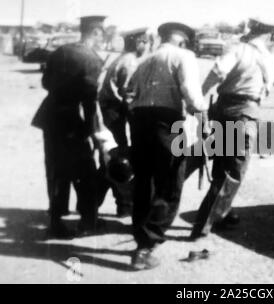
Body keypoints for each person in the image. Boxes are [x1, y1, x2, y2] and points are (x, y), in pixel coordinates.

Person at [126, 22, 207, 270]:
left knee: (144, 181)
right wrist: (203, 119)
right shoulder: (184, 55)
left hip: (140, 120)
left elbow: (128, 92)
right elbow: (191, 92)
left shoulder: (143, 60)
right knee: (170, 181)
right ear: (182, 40)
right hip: (167, 121)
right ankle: (146, 247)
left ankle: (141, 237)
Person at [190, 18, 274, 239]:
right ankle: (204, 224)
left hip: (223, 108)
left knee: (219, 161)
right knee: (233, 171)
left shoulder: (239, 50)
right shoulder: (270, 58)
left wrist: (200, 97)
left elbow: (217, 72)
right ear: (268, 36)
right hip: (245, 112)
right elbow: (270, 86)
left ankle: (221, 212)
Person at [31, 15, 117, 238]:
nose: (102, 40)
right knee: (85, 171)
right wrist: (92, 132)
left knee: (55, 169)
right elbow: (90, 100)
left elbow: (45, 83)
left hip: (50, 117)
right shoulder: (92, 59)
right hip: (72, 120)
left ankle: (56, 219)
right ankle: (89, 221)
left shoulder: (60, 51)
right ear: (95, 32)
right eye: (102, 35)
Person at [96, 28, 152, 217]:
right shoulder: (129, 62)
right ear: (139, 43)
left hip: (113, 110)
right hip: (114, 111)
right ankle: (110, 204)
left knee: (115, 160)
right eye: (146, 42)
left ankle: (122, 204)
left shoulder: (124, 58)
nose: (148, 46)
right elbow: (128, 95)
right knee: (116, 161)